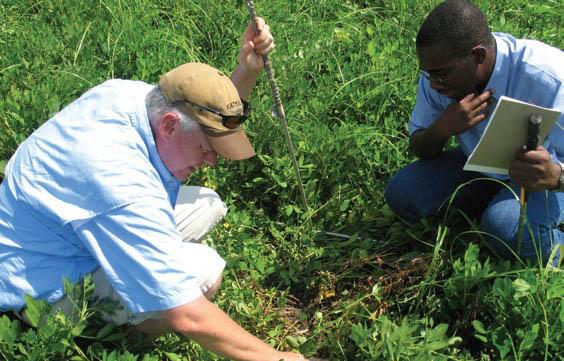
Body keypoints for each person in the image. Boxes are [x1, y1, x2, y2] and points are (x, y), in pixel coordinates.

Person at [0, 18, 309, 361]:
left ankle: (144, 263)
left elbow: (208, 118)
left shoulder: (134, 96)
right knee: (205, 275)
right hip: (43, 289)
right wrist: (281, 358)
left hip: (57, 230)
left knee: (208, 203)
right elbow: (188, 315)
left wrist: (246, 71)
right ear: (169, 125)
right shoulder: (122, 186)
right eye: (206, 149)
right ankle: (115, 343)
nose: (212, 161)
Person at [385, 0, 563, 264]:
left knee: (507, 230)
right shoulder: (438, 76)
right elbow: (420, 146)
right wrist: (442, 128)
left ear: (478, 56)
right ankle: (497, 205)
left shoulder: (549, 77)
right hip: (478, 164)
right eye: (427, 74)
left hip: (540, 179)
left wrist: (555, 177)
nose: (433, 84)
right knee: (402, 193)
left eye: (441, 75)